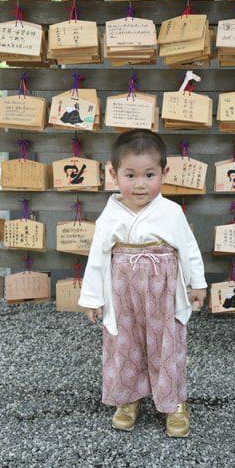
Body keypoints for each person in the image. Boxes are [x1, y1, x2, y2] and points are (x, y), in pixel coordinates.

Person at [78, 129, 207, 437]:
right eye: (130, 175)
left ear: (164, 172)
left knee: (167, 342)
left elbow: (188, 250)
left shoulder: (171, 212)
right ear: (113, 174)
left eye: (149, 174)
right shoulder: (109, 216)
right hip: (123, 291)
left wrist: (197, 284)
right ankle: (129, 397)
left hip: (164, 290)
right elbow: (97, 258)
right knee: (125, 343)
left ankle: (174, 401)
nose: (139, 184)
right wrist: (93, 298)